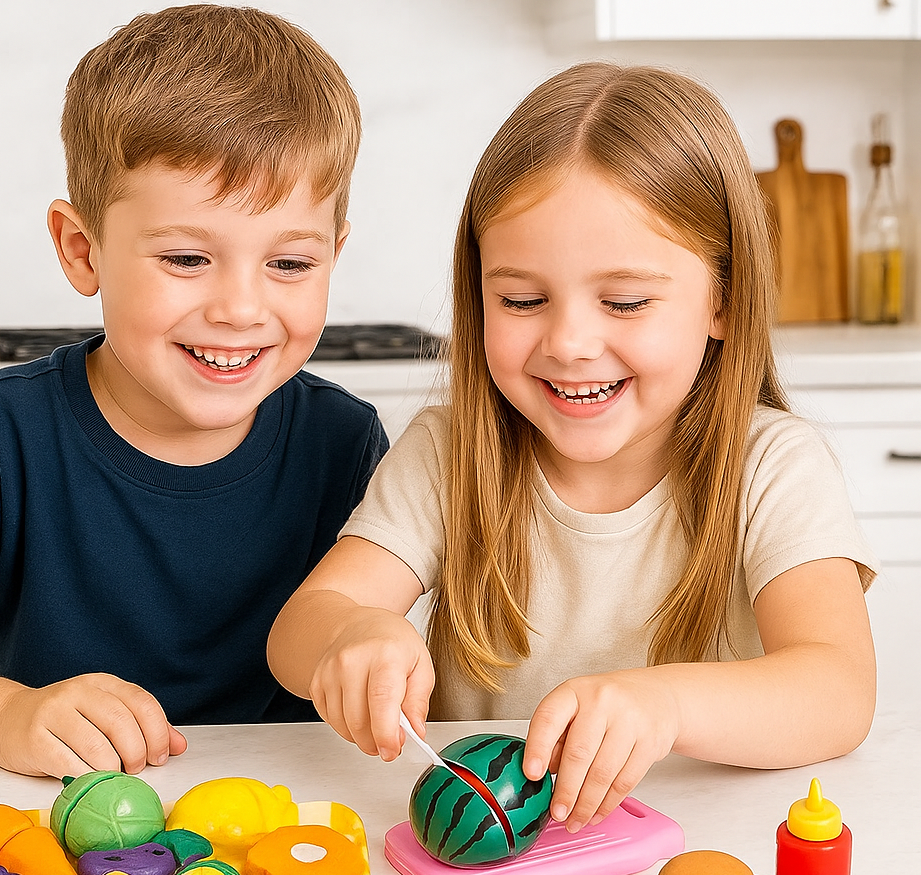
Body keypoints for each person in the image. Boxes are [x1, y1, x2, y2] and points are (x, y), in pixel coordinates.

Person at [268, 62, 877, 832]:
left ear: (723, 299)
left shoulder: (774, 466)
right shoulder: (450, 453)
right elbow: (300, 630)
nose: (570, 343)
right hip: (490, 874)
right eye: (522, 300)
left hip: (699, 848)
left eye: (624, 301)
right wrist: (354, 634)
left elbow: (838, 691)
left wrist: (662, 703)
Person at [0, 5, 387, 779]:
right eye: (188, 259)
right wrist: (3, 716)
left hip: (273, 831)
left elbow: (358, 635)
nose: (240, 309)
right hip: (46, 818)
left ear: (335, 252)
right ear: (81, 250)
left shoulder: (345, 441)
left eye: (290, 265)